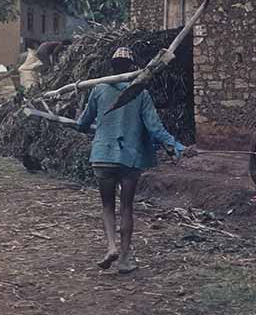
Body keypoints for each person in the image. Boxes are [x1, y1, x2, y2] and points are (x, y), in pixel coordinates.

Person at [77, 47, 186, 274]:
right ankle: (125, 258)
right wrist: (174, 145)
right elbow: (155, 127)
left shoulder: (98, 90)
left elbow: (82, 124)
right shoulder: (141, 94)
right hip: (130, 159)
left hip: (102, 157)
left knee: (107, 205)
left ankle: (110, 246)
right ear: (132, 68)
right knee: (126, 207)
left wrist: (86, 124)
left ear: (112, 67)